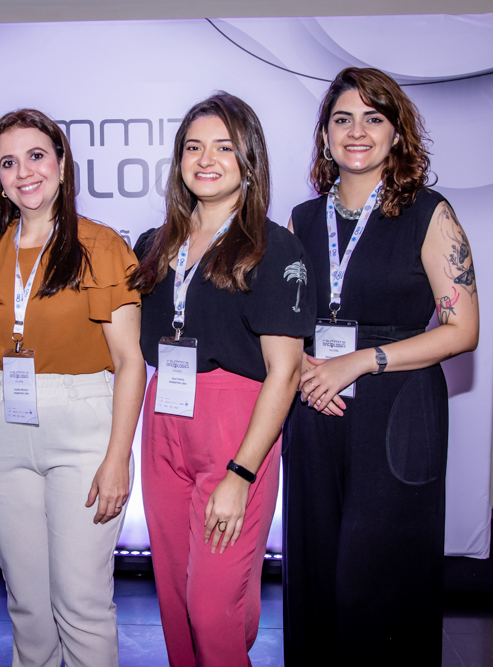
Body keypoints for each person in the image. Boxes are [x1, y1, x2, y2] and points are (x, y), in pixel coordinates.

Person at [282, 67, 480, 665]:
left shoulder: (430, 214)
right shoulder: (301, 220)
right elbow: (287, 321)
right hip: (315, 407)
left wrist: (363, 360)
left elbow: (463, 330)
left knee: (377, 583)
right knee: (316, 574)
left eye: (374, 118)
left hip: (398, 415)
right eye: (342, 118)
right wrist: (301, 367)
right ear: (325, 135)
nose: (357, 131)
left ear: (397, 133)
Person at [130, 92, 314, 667]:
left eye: (224, 147)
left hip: (236, 427)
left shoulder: (273, 247)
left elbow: (285, 372)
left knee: (212, 609)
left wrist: (242, 473)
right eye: (193, 147)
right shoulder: (153, 245)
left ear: (249, 159)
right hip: (164, 418)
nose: (206, 159)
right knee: (175, 596)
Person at [0, 108, 146, 667]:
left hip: (82, 425)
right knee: (28, 609)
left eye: (36, 156)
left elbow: (130, 362)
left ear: (62, 165)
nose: (24, 172)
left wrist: (118, 457)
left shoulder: (101, 246)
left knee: (80, 603)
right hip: (1, 420)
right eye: (8, 163)